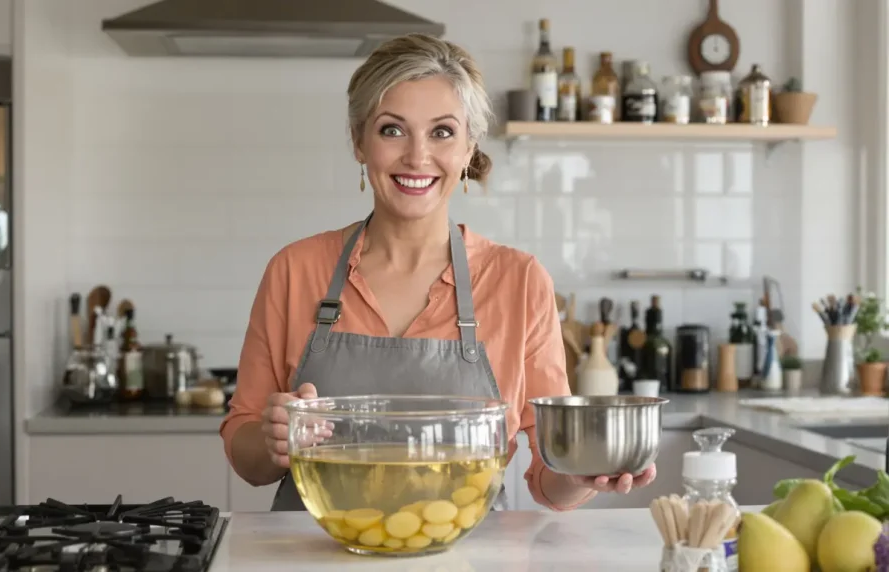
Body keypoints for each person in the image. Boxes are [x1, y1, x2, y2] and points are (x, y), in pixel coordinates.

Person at [219, 34, 656, 512]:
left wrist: (585, 472)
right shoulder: (295, 270)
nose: (417, 156)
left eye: (442, 132)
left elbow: (549, 483)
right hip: (314, 554)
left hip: (470, 557)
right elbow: (245, 453)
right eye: (392, 130)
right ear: (359, 142)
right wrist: (273, 441)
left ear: (469, 148)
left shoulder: (520, 281)